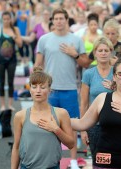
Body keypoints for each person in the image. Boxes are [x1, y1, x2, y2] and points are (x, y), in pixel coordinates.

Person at [34, 8, 90, 169]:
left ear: (66, 20)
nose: (59, 21)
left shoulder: (76, 39)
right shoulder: (44, 39)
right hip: (49, 90)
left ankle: (72, 160)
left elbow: (85, 63)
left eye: (61, 18)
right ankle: (53, 159)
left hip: (70, 88)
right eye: (56, 18)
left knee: (71, 125)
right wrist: (36, 86)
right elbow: (38, 65)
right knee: (49, 125)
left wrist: (75, 54)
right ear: (52, 20)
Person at [11, 67, 74, 169]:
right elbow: (16, 147)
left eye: (43, 87)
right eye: (34, 87)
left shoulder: (61, 113)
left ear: (50, 90)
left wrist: (56, 129)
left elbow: (71, 144)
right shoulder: (20, 116)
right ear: (30, 89)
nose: (38, 91)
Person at [80, 37, 114, 167]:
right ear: (95, 53)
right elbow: (84, 103)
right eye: (100, 50)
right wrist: (83, 129)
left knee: (115, 160)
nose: (103, 53)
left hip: (115, 124)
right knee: (99, 161)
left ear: (111, 52)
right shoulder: (89, 74)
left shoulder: (117, 72)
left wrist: (115, 87)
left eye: (106, 50)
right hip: (95, 125)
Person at [0, 11, 22, 111]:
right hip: (0, 60)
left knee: (10, 81)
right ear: (2, 19)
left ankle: (10, 104)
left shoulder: (15, 29)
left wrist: (14, 36)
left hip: (12, 60)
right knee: (1, 81)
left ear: (11, 19)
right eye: (4, 19)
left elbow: (20, 44)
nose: (6, 21)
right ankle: (2, 104)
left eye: (8, 19)